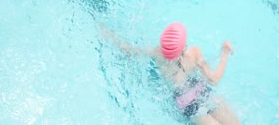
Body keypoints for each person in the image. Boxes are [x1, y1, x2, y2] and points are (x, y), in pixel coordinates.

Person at [101, 22, 240, 125]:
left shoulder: (157, 53)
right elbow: (214, 80)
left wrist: (108, 35)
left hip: (187, 103)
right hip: (203, 93)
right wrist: (225, 53)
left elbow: (132, 51)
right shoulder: (194, 53)